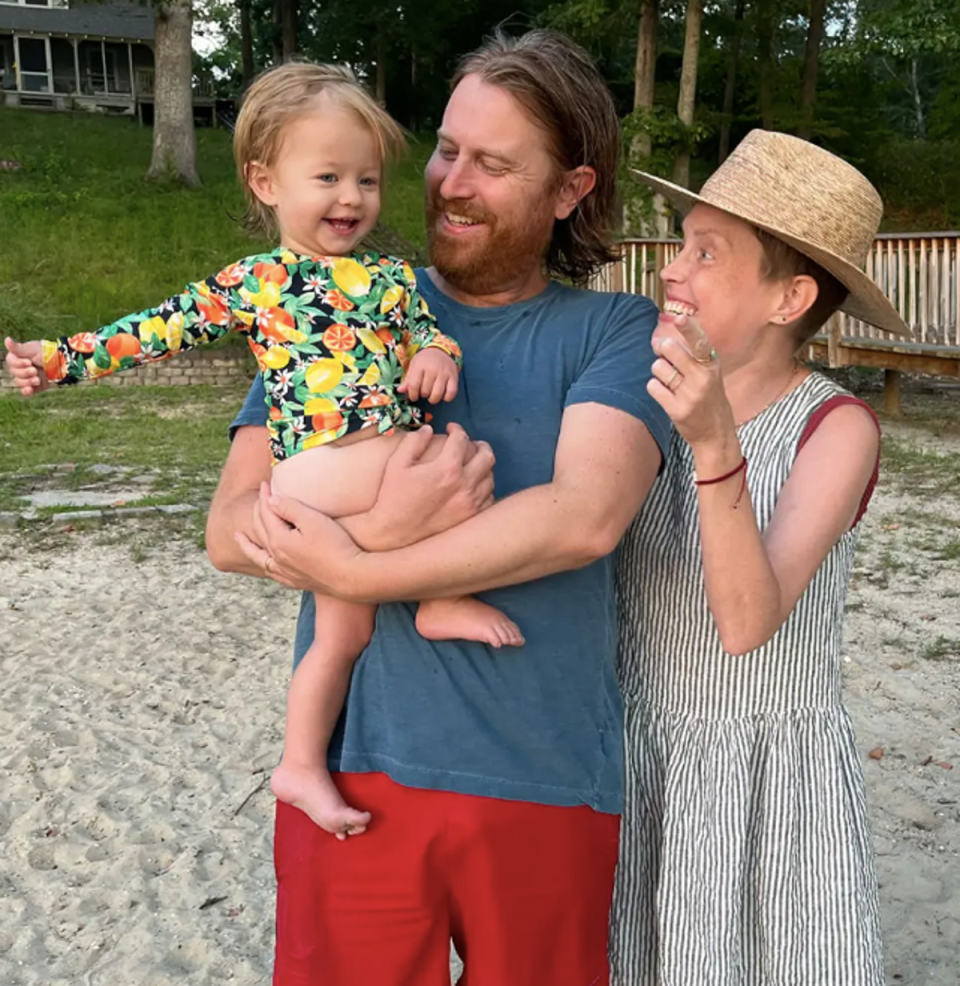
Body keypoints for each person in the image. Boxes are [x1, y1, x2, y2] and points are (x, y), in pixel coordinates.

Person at [207, 29, 670, 986]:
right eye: (448, 150)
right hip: (356, 770)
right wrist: (387, 533)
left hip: (541, 776)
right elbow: (232, 530)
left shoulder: (615, 330)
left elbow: (585, 516)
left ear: (570, 191)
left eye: (494, 164)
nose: (452, 183)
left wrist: (359, 571)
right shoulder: (332, 305)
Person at [3, 60, 528, 842]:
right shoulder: (254, 282)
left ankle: (299, 764)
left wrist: (438, 356)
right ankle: (434, 598)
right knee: (447, 464)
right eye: (327, 177)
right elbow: (155, 330)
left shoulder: (388, 278)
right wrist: (61, 359)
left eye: (367, 180)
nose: (350, 198)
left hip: (362, 468)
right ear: (265, 181)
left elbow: (427, 333)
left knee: (340, 634)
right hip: (316, 470)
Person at [609, 130, 909, 985]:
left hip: (764, 775)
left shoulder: (835, 428)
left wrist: (711, 444)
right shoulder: (633, 393)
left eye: (707, 253)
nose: (673, 269)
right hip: (640, 755)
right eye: (680, 243)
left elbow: (746, 622)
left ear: (790, 298)